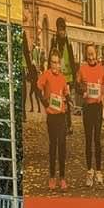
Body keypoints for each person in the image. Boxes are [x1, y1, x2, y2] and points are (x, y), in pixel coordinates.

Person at [77, 43, 104, 187]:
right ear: (86, 55)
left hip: (97, 108)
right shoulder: (82, 69)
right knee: (88, 140)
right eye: (88, 54)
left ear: (96, 54)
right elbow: (77, 87)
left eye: (92, 54)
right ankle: (89, 172)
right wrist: (82, 92)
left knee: (97, 140)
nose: (91, 57)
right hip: (87, 108)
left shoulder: (102, 69)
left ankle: (99, 172)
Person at [37, 48, 70, 191]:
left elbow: (67, 94)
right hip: (51, 116)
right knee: (53, 146)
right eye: (53, 62)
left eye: (57, 63)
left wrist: (68, 100)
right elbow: (38, 88)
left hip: (61, 116)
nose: (55, 65)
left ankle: (62, 178)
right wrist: (44, 102)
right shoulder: (46, 75)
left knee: (62, 146)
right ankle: (52, 177)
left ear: (60, 64)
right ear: (50, 63)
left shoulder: (63, 78)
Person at [50, 18, 77, 134]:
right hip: (57, 75)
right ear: (57, 29)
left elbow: (71, 58)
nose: (62, 32)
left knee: (67, 99)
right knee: (57, 99)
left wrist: (75, 77)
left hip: (68, 76)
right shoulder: (54, 40)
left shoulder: (68, 41)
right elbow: (50, 56)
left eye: (63, 30)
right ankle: (58, 122)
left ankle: (69, 125)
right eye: (60, 29)